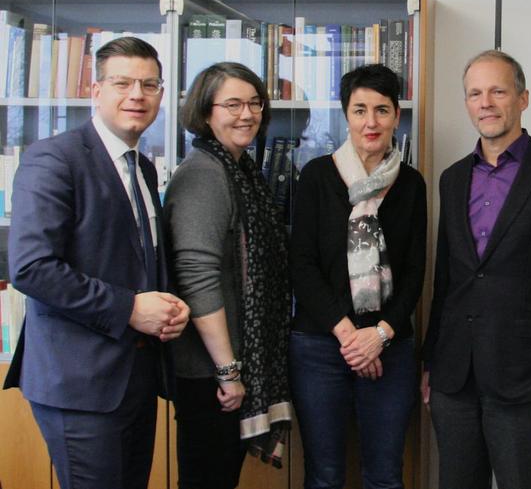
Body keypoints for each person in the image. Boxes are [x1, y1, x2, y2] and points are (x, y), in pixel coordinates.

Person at [3, 36, 190, 489]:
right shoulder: (54, 158)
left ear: (162, 95)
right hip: (80, 382)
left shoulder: (142, 167)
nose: (136, 95)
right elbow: (31, 268)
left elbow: (136, 255)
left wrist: (169, 304)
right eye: (122, 83)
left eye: (148, 84)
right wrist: (131, 308)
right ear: (96, 90)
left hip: (136, 378)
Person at [420, 50, 531, 489]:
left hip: (528, 382)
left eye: (498, 90)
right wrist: (431, 363)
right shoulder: (453, 178)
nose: (486, 103)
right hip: (455, 378)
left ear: (523, 98)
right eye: (475, 93)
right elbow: (448, 280)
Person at [289, 64, 426, 489]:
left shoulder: (412, 184)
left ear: (396, 117)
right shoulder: (315, 177)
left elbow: (416, 272)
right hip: (320, 346)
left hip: (391, 346)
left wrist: (379, 336)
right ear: (346, 115)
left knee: (385, 476)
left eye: (382, 110)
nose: (371, 122)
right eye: (360, 109)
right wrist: (352, 337)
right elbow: (302, 265)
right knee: (324, 475)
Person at [164, 62, 292, 488]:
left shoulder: (241, 171)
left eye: (255, 103)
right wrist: (228, 371)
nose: (247, 114)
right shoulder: (203, 174)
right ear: (204, 113)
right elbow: (196, 276)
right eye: (233, 104)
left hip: (228, 366)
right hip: (210, 373)